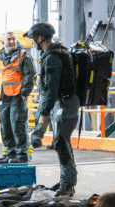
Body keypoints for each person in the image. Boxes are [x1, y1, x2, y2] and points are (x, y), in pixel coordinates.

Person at [26, 22, 79, 197]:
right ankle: (66, 181)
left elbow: (51, 89)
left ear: (40, 38)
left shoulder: (52, 57)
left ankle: (68, 185)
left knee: (61, 144)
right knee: (63, 143)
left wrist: (43, 114)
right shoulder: (58, 51)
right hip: (64, 103)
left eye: (33, 39)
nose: (32, 43)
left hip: (64, 104)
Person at [0, 31, 35, 164]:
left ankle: (22, 154)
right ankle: (10, 153)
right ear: (3, 42)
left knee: (17, 124)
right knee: (5, 126)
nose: (12, 41)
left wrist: (23, 93)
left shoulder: (23, 55)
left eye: (13, 39)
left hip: (17, 97)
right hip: (2, 97)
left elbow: (30, 74)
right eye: (8, 39)